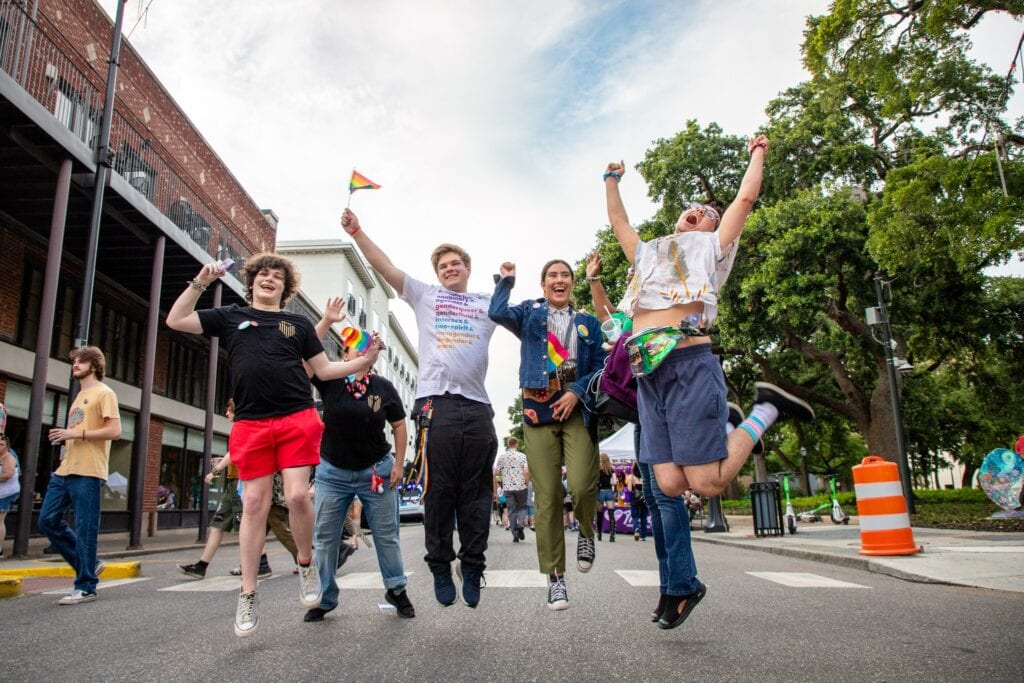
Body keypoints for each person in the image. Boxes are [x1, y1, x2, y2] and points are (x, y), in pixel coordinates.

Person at [603, 136, 815, 629]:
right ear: (676, 220)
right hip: (647, 376)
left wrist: (757, 152)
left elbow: (745, 199)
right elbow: (619, 222)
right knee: (670, 483)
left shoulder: (712, 250)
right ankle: (685, 583)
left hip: (689, 365)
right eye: (690, 209)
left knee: (709, 481)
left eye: (708, 210)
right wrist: (611, 180)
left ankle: (765, 409)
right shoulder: (649, 253)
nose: (699, 212)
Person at [166, 254, 379, 637]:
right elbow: (177, 320)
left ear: (285, 288)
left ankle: (305, 563)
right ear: (251, 282)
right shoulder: (230, 315)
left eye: (277, 276)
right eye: (262, 273)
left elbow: (325, 370)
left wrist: (363, 361)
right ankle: (248, 593)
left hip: (297, 418)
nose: (269, 279)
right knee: (253, 503)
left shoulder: (297, 323)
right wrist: (200, 282)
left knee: (298, 497)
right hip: (250, 422)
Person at [340, 209, 498, 609]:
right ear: (437, 272)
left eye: (455, 264)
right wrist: (357, 231)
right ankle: (441, 565)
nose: (449, 269)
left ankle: (474, 564)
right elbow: (386, 266)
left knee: (477, 493)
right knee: (440, 492)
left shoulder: (487, 302)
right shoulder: (425, 295)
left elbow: (527, 321)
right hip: (435, 405)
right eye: (443, 265)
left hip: (479, 407)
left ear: (467, 269)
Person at [489, 259, 605, 611]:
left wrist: (578, 392)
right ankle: (556, 578)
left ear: (572, 284)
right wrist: (506, 281)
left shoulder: (587, 323)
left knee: (584, 483)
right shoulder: (529, 314)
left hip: (576, 407)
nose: (559, 280)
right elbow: (496, 312)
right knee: (549, 495)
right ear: (543, 285)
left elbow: (601, 365)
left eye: (565, 276)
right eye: (552, 276)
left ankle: (586, 531)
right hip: (538, 409)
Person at [304, 296, 415, 622]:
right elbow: (304, 359)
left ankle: (396, 589)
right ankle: (325, 597)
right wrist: (326, 320)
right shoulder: (331, 380)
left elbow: (398, 425)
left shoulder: (383, 386)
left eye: (368, 350)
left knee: (386, 535)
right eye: (356, 349)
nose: (363, 353)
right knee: (324, 537)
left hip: (376, 470)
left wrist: (398, 464)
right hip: (333, 472)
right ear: (344, 355)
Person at [40, 346, 121, 605]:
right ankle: (90, 564)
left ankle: (86, 586)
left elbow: (115, 431)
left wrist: (75, 434)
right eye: (73, 360)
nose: (75, 364)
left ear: (94, 365)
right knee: (47, 520)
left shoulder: (104, 393)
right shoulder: (79, 396)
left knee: (86, 528)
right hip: (65, 469)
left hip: (88, 470)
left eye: (81, 361)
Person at [178, 400, 247, 579]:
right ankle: (201, 566)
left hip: (242, 483)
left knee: (246, 528)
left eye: (229, 410)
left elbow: (233, 453)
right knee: (217, 525)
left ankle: (256, 564)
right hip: (233, 484)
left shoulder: (242, 426)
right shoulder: (239, 427)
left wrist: (216, 470)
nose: (226, 414)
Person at [493, 436, 530, 542]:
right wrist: (526, 483)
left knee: (511, 510)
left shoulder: (502, 457)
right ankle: (520, 524)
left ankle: (514, 533)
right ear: (517, 444)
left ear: (508, 445)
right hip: (521, 486)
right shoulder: (522, 456)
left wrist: (501, 481)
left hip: (508, 487)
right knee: (522, 507)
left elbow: (496, 473)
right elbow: (526, 472)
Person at [0, 434, 21, 559]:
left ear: (7, 446)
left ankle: (0, 549)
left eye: (2, 444)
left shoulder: (9, 457)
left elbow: (8, 474)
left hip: (6, 493)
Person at [595, 453, 616, 542]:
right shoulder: (611, 469)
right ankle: (612, 535)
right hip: (609, 492)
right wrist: (608, 483)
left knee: (599, 514)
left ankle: (599, 534)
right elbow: (615, 482)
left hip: (600, 492)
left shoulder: (597, 469)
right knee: (611, 514)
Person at [628, 462, 649, 541]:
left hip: (635, 497)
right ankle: (643, 535)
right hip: (644, 497)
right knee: (644, 516)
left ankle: (636, 528)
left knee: (635, 515)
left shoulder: (631, 477)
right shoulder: (645, 476)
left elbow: (630, 489)